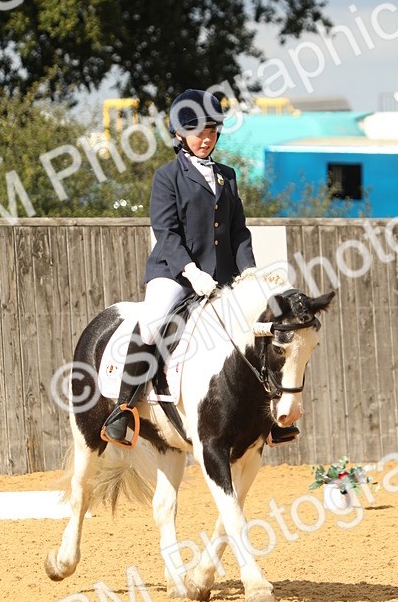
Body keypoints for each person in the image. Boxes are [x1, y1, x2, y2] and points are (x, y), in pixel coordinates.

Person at [100, 87, 297, 448]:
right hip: (175, 272)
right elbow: (166, 231)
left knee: (261, 327)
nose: (205, 139)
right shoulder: (166, 177)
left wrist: (250, 276)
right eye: (197, 132)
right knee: (154, 321)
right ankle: (124, 408)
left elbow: (238, 232)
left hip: (222, 276)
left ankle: (268, 418)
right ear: (179, 135)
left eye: (211, 131)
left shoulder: (228, 174)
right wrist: (191, 271)